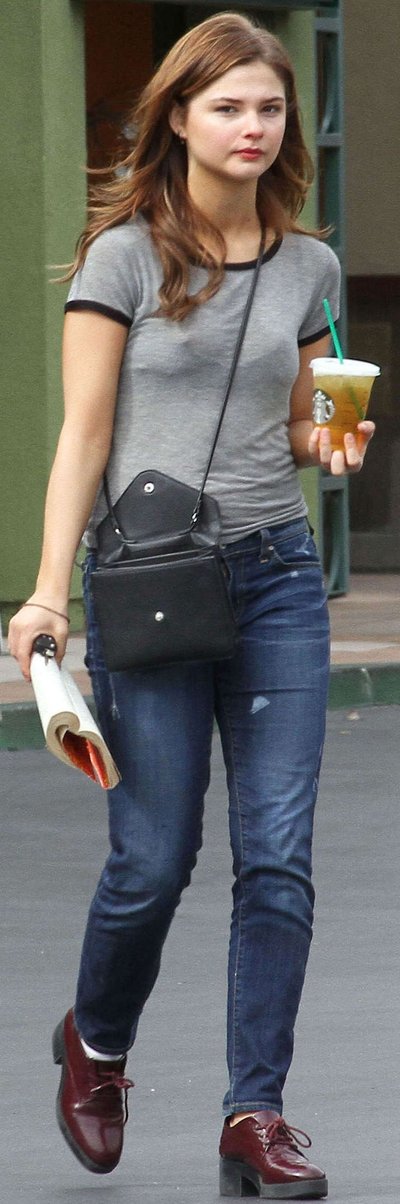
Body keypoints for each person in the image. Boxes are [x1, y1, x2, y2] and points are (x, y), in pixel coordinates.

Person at [8, 12, 374, 1199]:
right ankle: (96, 1042)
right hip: (151, 582)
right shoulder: (121, 257)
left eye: (268, 107)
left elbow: (300, 423)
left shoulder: (310, 268)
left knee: (278, 858)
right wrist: (46, 591)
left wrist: (332, 443)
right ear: (177, 116)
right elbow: (85, 435)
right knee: (153, 858)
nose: (251, 126)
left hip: (275, 579)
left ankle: (254, 1112)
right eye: (227, 106)